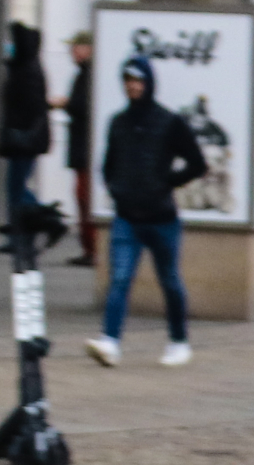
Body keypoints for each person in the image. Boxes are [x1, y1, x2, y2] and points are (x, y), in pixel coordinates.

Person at [91, 56, 205, 368]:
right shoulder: (118, 122)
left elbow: (197, 162)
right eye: (128, 81)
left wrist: (167, 182)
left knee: (169, 280)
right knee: (120, 278)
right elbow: (108, 165)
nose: (133, 86)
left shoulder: (168, 122)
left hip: (161, 219)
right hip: (127, 217)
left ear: (149, 83)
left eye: (138, 81)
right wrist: (117, 190)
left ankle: (178, 340)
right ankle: (110, 341)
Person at [0, 22, 50, 252]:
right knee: (16, 187)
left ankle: (41, 221)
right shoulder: (23, 68)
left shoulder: (29, 71)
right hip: (20, 138)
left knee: (18, 188)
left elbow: (32, 108)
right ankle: (19, 233)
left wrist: (22, 133)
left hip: (23, 140)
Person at [58, 31, 98, 267]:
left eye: (76, 47)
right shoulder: (83, 74)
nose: (72, 51)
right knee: (82, 197)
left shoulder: (88, 75)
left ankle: (92, 248)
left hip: (85, 147)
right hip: (82, 146)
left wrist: (67, 104)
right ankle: (88, 247)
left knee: (85, 197)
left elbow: (83, 107)